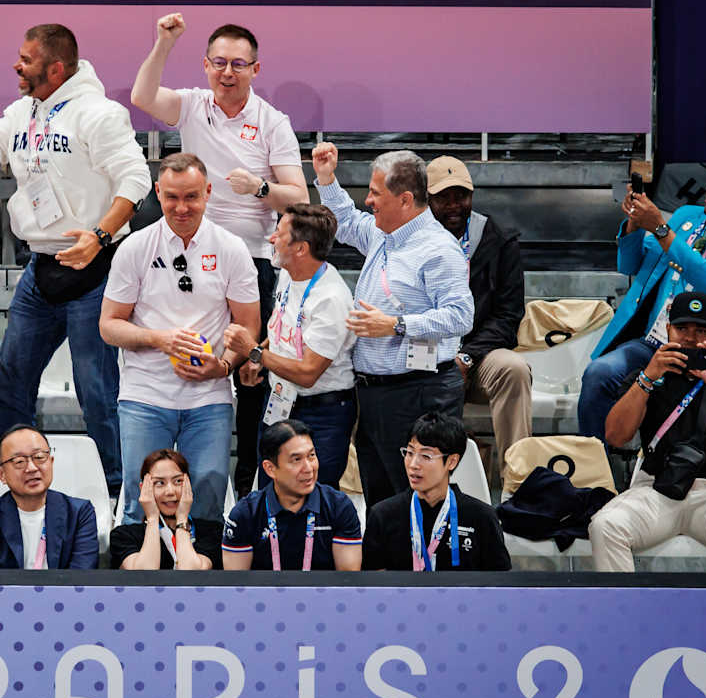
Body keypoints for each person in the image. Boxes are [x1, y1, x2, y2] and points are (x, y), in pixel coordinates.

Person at [0, 23, 151, 497]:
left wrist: (98, 235)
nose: (16, 65)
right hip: (41, 269)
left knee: (96, 390)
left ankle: (119, 491)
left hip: (97, 271)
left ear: (55, 68)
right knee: (11, 379)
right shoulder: (22, 111)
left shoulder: (100, 114)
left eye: (26, 60)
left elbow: (136, 179)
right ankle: (10, 480)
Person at [130, 14, 309, 494]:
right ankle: (175, 490)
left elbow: (299, 196)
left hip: (252, 259)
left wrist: (260, 188)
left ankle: (250, 488)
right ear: (206, 66)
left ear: (255, 68)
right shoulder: (192, 105)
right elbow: (143, 97)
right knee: (190, 364)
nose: (227, 73)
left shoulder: (273, 121)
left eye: (238, 64)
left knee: (252, 376)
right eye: (218, 63)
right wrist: (164, 43)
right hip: (191, 251)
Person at [311, 142, 473, 507]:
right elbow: (348, 221)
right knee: (382, 504)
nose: (368, 200)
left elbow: (461, 315)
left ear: (404, 200)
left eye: (374, 193)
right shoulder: (383, 233)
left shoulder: (438, 249)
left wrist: (397, 325)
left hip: (419, 392)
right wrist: (326, 178)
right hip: (374, 394)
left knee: (417, 502)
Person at [100, 153, 260, 522]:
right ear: (158, 192)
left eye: (191, 196)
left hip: (209, 398)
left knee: (207, 499)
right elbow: (109, 325)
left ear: (207, 192)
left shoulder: (231, 249)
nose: (182, 207)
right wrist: (160, 339)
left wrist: (222, 367)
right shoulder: (135, 248)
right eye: (172, 197)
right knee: (141, 505)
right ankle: (136, 578)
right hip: (145, 395)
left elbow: (248, 326)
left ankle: (202, 577)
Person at [579, 152, 706, 440]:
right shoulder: (685, 217)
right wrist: (633, 224)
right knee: (599, 373)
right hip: (656, 341)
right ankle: (596, 473)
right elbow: (629, 265)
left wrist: (659, 228)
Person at [590, 292, 706, 572]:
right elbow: (615, 436)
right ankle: (623, 615)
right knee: (605, 526)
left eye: (701, 331)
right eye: (682, 328)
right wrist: (647, 379)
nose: (690, 338)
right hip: (657, 488)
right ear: (667, 329)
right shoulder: (646, 375)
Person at [224, 203, 356, 488]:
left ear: (301, 249)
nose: (271, 239)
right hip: (281, 401)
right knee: (271, 492)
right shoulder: (288, 273)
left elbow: (308, 373)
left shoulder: (330, 298)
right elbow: (283, 327)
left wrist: (253, 351)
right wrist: (258, 357)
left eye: (279, 233)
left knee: (312, 500)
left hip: (320, 412)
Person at [426, 156, 531, 467]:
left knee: (514, 369)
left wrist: (467, 356)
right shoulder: (413, 239)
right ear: (427, 199)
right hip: (427, 354)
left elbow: (509, 316)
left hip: (479, 355)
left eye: (461, 195)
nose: (454, 205)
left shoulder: (497, 239)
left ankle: (518, 480)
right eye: (444, 197)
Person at [361, 412, 511, 571]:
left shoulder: (482, 517)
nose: (413, 464)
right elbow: (373, 584)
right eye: (410, 453)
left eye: (426, 456)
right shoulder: (383, 515)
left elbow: (499, 584)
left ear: (452, 461)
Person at [221, 419, 362, 571]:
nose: (308, 468)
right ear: (270, 468)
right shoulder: (245, 513)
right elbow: (237, 586)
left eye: (311, 456)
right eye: (296, 460)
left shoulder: (339, 507)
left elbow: (348, 583)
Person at [0, 424, 99, 570]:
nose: (31, 468)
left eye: (39, 457)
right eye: (19, 461)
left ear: (51, 462)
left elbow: (81, 579)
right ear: (1, 474)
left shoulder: (79, 513)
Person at [109, 448, 220, 570]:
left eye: (178, 481)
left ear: (188, 485)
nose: (170, 491)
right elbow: (144, 576)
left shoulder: (213, 531)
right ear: (144, 489)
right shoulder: (123, 535)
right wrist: (152, 518)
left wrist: (182, 519)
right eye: (159, 483)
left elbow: (192, 575)